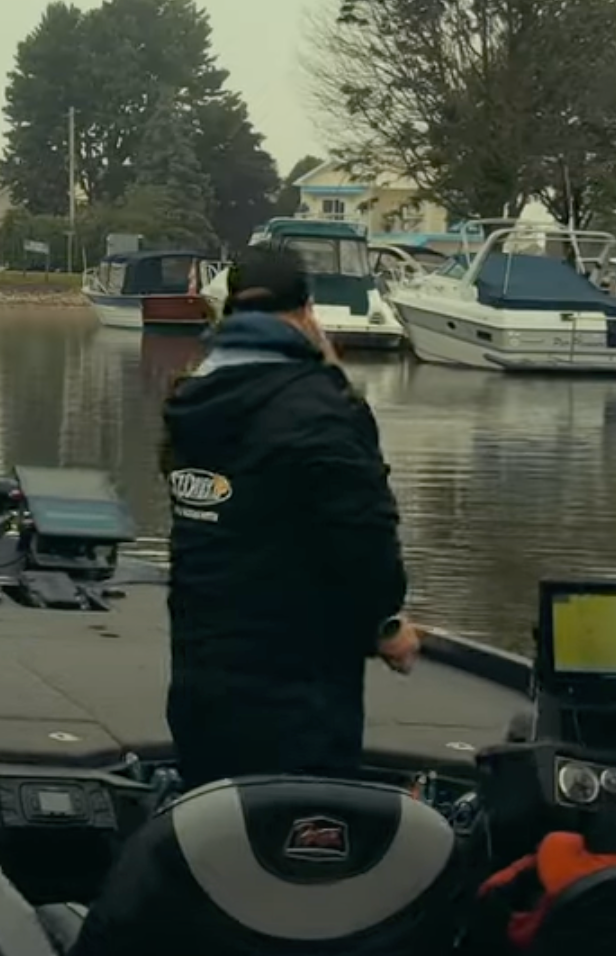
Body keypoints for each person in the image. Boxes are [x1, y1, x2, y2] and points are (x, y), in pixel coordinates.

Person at [158, 245, 422, 785]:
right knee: (297, 848)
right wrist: (386, 622)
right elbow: (364, 532)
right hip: (298, 693)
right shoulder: (322, 409)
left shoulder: (190, 400)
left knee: (213, 829)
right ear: (307, 311)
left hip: (199, 678)